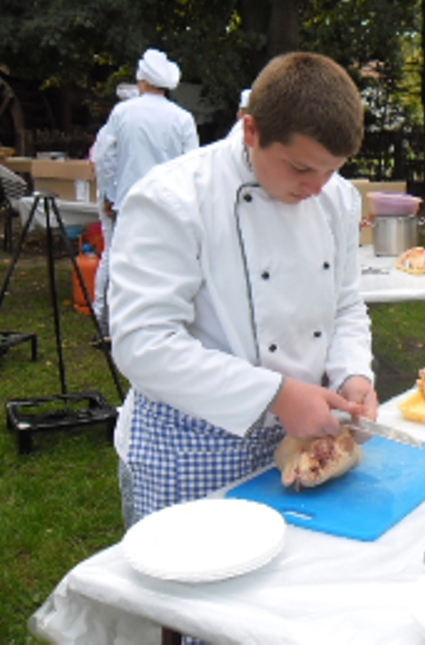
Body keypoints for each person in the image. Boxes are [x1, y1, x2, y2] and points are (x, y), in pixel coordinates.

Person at [108, 51, 378, 528]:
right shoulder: (172, 198)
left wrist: (352, 375)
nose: (317, 187)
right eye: (300, 168)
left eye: (332, 169)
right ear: (251, 130)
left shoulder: (337, 198)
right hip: (192, 447)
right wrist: (277, 395)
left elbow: (345, 304)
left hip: (300, 439)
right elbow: (143, 344)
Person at [91, 50, 198, 335]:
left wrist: (110, 194)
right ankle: (161, 318)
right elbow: (192, 166)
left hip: (128, 200)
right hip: (169, 204)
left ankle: (107, 320)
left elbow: (105, 156)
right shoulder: (182, 118)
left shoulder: (123, 113)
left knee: (118, 258)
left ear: (143, 81)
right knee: (166, 261)